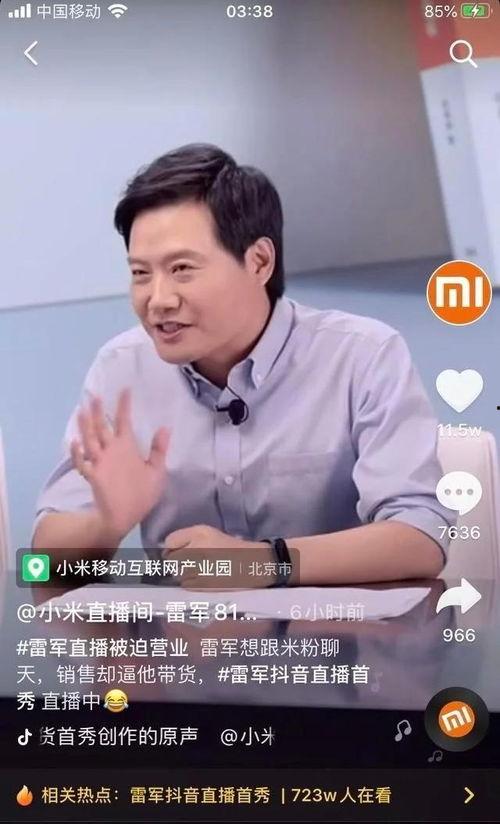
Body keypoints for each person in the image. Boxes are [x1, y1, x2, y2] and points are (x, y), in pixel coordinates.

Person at [32, 143, 454, 585]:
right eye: (141, 273)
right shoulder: (121, 369)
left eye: (181, 269)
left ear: (259, 262)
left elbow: (422, 538)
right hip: (181, 630)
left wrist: (262, 562)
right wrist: (107, 523)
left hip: (331, 627)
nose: (158, 300)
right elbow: (38, 565)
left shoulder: (362, 356)